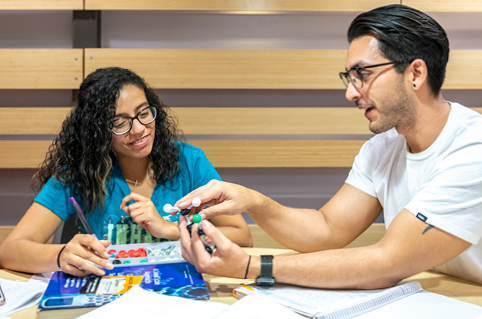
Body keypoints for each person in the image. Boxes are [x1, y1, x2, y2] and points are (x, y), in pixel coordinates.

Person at [174, 4, 482, 289]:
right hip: (442, 294)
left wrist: (252, 266)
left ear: (415, 73)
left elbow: (387, 262)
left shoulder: (473, 149)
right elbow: (328, 228)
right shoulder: (382, 148)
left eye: (363, 74)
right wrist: (253, 200)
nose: (351, 93)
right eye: (349, 77)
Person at [0, 67, 252, 277]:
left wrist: (168, 229)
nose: (139, 129)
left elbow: (241, 236)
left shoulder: (189, 161)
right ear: (97, 131)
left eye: (143, 113)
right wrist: (61, 254)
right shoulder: (79, 173)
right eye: (119, 122)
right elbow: (10, 251)